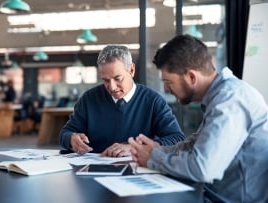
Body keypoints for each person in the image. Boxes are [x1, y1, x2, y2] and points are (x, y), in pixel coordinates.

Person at [129, 35, 268, 203]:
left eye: (168, 81)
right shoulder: (219, 96)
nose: (166, 88)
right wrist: (158, 150)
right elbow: (194, 144)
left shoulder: (230, 100)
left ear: (192, 77)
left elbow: (203, 168)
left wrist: (153, 159)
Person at [59, 45, 185, 157]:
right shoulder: (89, 99)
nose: (112, 87)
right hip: (94, 170)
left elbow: (177, 139)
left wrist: (136, 148)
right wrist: (71, 139)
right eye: (106, 80)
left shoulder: (153, 101)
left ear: (131, 70)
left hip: (137, 171)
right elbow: (65, 133)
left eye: (117, 78)